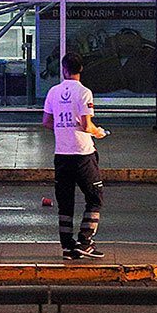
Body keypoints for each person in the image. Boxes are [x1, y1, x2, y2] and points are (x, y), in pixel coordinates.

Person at [42, 52, 108, 259]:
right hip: (82, 154)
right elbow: (87, 125)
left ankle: (68, 247)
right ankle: (86, 240)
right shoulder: (84, 92)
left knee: (65, 202)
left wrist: (63, 131)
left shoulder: (53, 91)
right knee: (94, 197)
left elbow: (46, 121)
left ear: (63, 69)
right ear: (81, 69)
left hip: (61, 154)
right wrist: (100, 132)